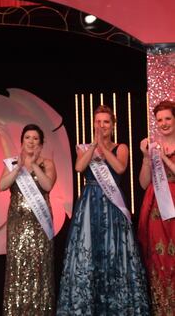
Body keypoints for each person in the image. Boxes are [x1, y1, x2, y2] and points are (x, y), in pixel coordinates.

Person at [57, 105, 149, 315]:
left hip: (113, 204)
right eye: (98, 122)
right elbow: (79, 168)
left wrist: (103, 148)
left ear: (113, 125)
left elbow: (120, 168)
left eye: (106, 122)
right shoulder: (83, 147)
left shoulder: (121, 147)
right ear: (93, 124)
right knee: (88, 251)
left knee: (114, 250)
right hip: (89, 203)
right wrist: (93, 147)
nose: (102, 126)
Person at [0, 124, 56, 315]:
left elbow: (48, 186)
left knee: (40, 268)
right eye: (27, 138)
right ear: (22, 141)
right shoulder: (12, 163)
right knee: (18, 269)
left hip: (40, 225)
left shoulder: (47, 163)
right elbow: (2, 184)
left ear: (41, 143)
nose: (31, 142)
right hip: (17, 224)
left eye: (35, 139)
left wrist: (32, 165)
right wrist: (18, 168)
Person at [138, 100, 175, 315]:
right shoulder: (153, 148)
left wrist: (164, 159)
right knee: (158, 260)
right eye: (159, 119)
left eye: (167, 118)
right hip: (156, 211)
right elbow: (143, 183)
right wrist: (146, 158)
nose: (163, 123)